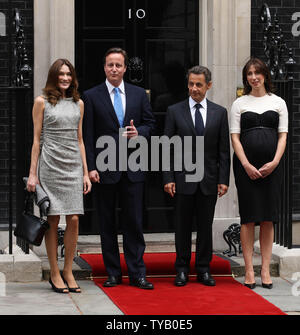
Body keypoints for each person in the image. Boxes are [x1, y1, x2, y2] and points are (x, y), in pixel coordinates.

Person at [83, 47, 156, 290]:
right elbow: (88, 134)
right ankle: (113, 272)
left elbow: (150, 123)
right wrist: (91, 167)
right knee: (107, 223)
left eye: (118, 65)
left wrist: (140, 132)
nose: (114, 69)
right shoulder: (91, 96)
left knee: (134, 222)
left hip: (133, 168)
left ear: (125, 68)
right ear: (104, 67)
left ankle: (137, 273)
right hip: (104, 169)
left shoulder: (138, 94)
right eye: (110, 65)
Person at [27, 59, 92, 293]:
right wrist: (32, 174)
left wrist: (85, 172)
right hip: (50, 165)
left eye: (68, 74)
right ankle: (54, 271)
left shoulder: (79, 104)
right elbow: (36, 140)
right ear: (54, 77)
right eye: (61, 74)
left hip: (73, 166)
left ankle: (68, 270)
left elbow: (80, 140)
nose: (65, 78)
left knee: (74, 218)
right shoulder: (41, 102)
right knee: (53, 219)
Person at [163, 65, 230, 287]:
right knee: (181, 227)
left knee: (205, 226)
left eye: (199, 84)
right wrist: (168, 177)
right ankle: (181, 269)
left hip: (209, 179)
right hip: (182, 179)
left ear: (208, 86)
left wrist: (223, 179)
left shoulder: (220, 113)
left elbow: (222, 150)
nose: (194, 88)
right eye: (191, 84)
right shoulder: (174, 111)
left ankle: (203, 269)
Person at [230, 58, 288, 289]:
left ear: (265, 75)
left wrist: (274, 162)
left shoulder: (279, 102)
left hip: (272, 167)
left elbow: (283, 135)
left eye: (257, 72)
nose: (254, 77)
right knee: (248, 218)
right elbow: (234, 136)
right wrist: (245, 164)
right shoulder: (239, 103)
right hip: (246, 168)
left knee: (267, 217)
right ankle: (248, 270)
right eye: (249, 74)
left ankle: (264, 268)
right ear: (246, 78)